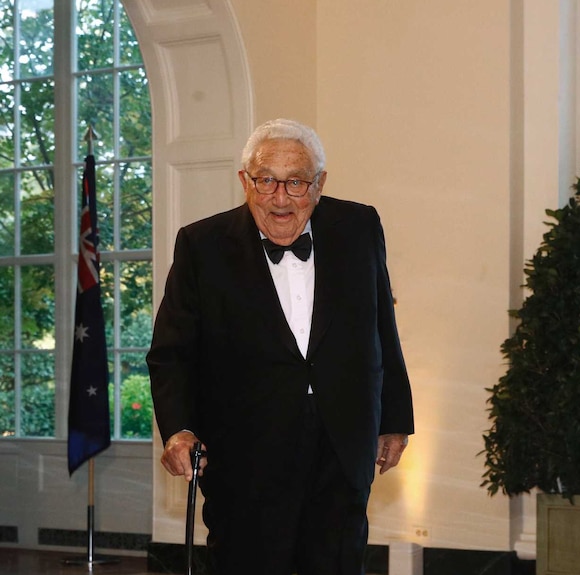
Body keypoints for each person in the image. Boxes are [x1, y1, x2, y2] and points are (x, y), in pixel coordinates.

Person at [147, 118, 414, 575]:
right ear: (244, 181)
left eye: (296, 182)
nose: (280, 197)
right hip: (244, 453)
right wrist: (178, 430)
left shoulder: (359, 227)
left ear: (320, 183)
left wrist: (393, 419)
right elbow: (172, 352)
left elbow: (381, 327)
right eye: (266, 180)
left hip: (342, 445)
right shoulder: (202, 245)